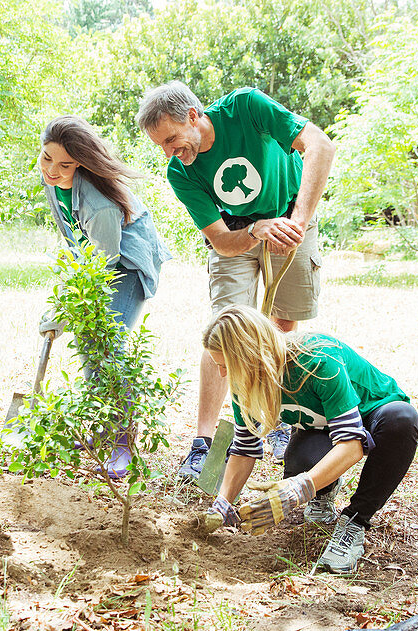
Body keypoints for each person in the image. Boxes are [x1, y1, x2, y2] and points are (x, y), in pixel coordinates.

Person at [135, 81, 337, 492]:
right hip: (239, 236)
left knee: (282, 325)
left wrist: (297, 220)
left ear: (193, 115)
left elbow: (320, 145)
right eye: (162, 146)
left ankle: (276, 419)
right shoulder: (181, 172)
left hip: (291, 214)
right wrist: (257, 230)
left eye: (172, 140)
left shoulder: (246, 108)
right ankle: (204, 441)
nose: (170, 153)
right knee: (222, 332)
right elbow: (223, 241)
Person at [197, 305, 418, 575]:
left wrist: (300, 488)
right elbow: (245, 447)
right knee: (299, 465)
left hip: (375, 415)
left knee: (402, 421)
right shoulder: (243, 378)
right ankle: (325, 492)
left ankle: (355, 521)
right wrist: (223, 502)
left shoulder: (318, 361)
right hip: (325, 425)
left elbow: (351, 445)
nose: (223, 375)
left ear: (251, 355)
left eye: (226, 366)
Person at [36, 115, 172, 479]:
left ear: (80, 162)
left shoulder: (100, 203)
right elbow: (70, 235)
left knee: (108, 346)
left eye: (64, 164)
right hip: (96, 260)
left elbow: (105, 258)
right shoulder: (51, 177)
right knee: (87, 343)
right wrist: (66, 289)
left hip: (125, 263)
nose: (52, 169)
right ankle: (100, 427)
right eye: (47, 158)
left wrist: (67, 305)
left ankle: (124, 443)